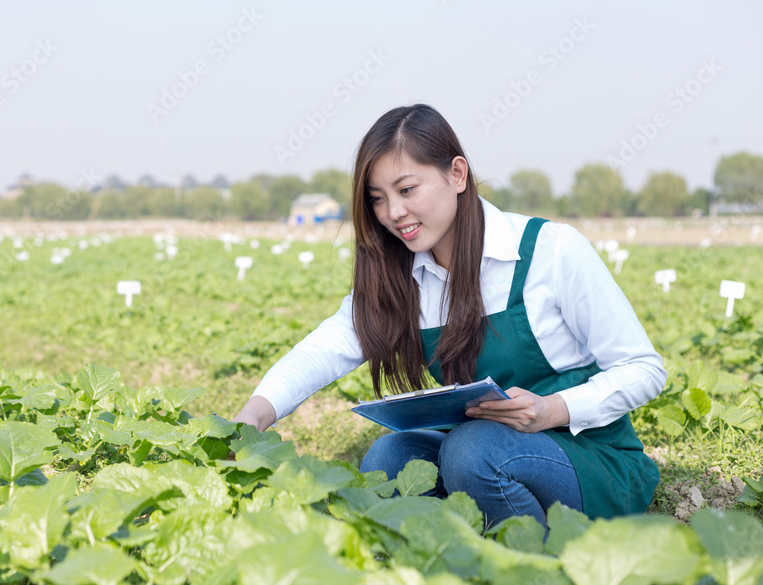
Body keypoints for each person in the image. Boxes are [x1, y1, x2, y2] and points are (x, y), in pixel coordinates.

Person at [232, 103, 665, 529]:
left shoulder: (550, 251)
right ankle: (459, 551)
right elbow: (327, 347)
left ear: (456, 175)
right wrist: (255, 413)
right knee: (388, 460)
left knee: (471, 453)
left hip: (587, 456)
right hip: (487, 446)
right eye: (378, 199)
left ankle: (536, 566)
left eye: (406, 190)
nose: (393, 214)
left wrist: (553, 409)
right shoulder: (401, 274)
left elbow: (644, 369)